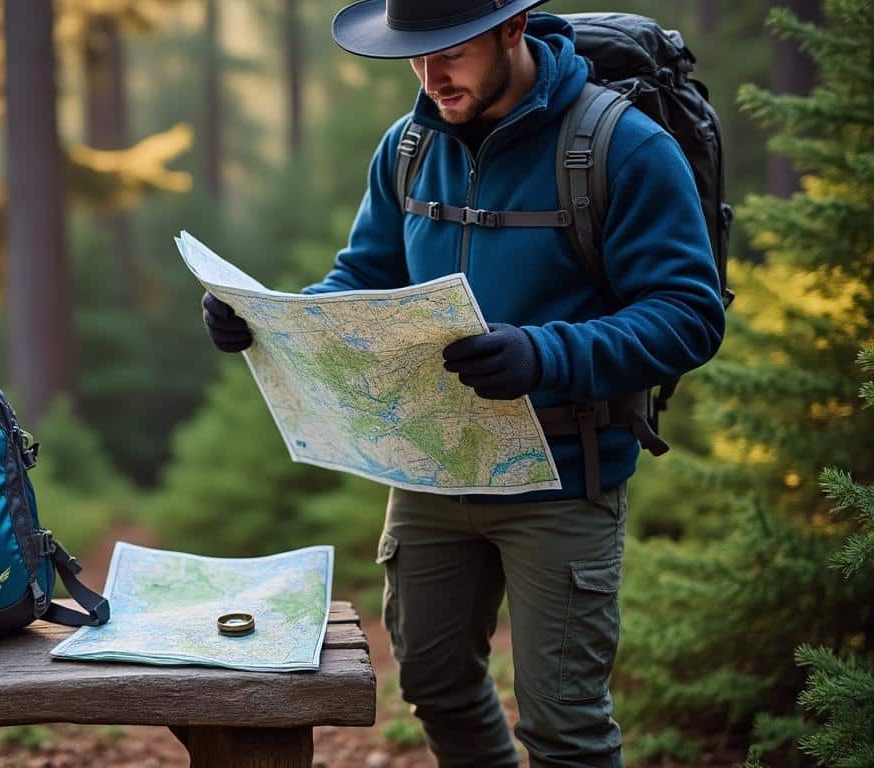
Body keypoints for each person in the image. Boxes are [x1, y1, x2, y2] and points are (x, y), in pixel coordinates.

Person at [200, 0, 726, 765]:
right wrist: (271, 322)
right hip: (429, 467)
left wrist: (547, 354)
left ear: (513, 31)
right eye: (414, 54)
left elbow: (689, 314)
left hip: (565, 476)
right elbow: (366, 277)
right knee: (435, 687)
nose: (429, 75)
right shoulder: (410, 145)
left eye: (451, 51)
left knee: (565, 731)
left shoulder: (622, 147)